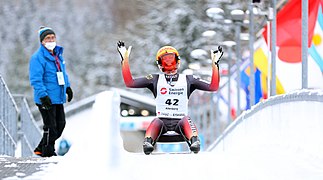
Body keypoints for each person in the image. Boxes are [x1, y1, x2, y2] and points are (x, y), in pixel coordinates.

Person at [117, 41, 223, 155]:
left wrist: (215, 64)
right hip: (162, 121)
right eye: (165, 61)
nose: (169, 63)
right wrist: (124, 59)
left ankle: (194, 140)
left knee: (186, 120)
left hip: (181, 121)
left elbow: (213, 87)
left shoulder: (188, 79)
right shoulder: (154, 79)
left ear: (177, 61)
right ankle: (149, 141)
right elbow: (130, 83)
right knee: (156, 121)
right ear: (160, 64)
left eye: (171, 60)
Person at [29, 26, 73, 157]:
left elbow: (63, 74)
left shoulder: (58, 55)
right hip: (46, 98)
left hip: (57, 96)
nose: (51, 40)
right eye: (48, 38)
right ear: (42, 41)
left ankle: (40, 148)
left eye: (53, 37)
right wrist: (43, 96)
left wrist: (68, 88)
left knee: (60, 125)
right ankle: (47, 152)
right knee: (50, 127)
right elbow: (36, 79)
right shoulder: (37, 58)